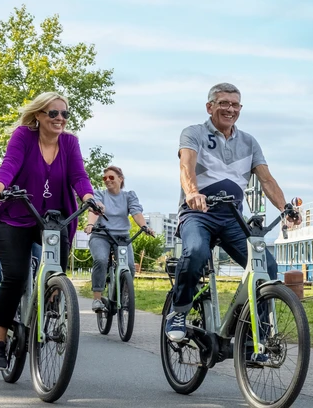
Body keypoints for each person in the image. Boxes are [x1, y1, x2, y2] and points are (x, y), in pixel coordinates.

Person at [164, 83, 298, 355]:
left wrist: (285, 207)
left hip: (232, 217)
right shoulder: (194, 133)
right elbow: (185, 166)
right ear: (210, 106)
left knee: (267, 268)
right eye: (223, 103)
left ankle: (252, 336)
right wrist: (192, 193)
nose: (230, 109)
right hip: (198, 213)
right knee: (197, 251)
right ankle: (178, 311)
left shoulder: (249, 142)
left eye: (235, 105)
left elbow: (267, 180)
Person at [0, 92, 98, 371]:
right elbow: (9, 165)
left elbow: (79, 176)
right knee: (14, 275)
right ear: (39, 115)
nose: (60, 119)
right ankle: (0, 342)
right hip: (14, 217)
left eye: (64, 114)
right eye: (53, 113)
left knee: (57, 271)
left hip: (51, 220)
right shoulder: (23, 136)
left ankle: (49, 302)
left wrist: (88, 197)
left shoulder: (70, 143)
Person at [84, 165, 152, 312]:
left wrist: (144, 227)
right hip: (101, 235)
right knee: (101, 260)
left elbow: (136, 212)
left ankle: (122, 295)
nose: (107, 180)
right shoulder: (100, 194)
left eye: (111, 177)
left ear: (120, 179)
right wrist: (90, 223)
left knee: (130, 266)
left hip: (122, 237)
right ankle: (97, 299)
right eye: (105, 178)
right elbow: (95, 209)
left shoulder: (129, 196)